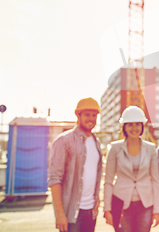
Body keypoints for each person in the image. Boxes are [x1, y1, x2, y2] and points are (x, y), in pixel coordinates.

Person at [103, 106, 159, 232]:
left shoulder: (151, 149)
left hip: (145, 204)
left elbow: (156, 181)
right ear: (124, 127)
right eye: (130, 124)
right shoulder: (114, 149)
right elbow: (108, 180)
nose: (134, 128)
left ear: (142, 126)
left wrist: (157, 210)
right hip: (120, 203)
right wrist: (107, 208)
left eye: (137, 124)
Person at [48, 97, 103, 232]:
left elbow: (94, 173)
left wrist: (97, 197)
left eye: (94, 115)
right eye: (87, 115)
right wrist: (60, 214)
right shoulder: (64, 141)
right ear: (78, 115)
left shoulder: (96, 142)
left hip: (90, 211)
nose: (91, 119)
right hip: (71, 213)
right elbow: (55, 179)